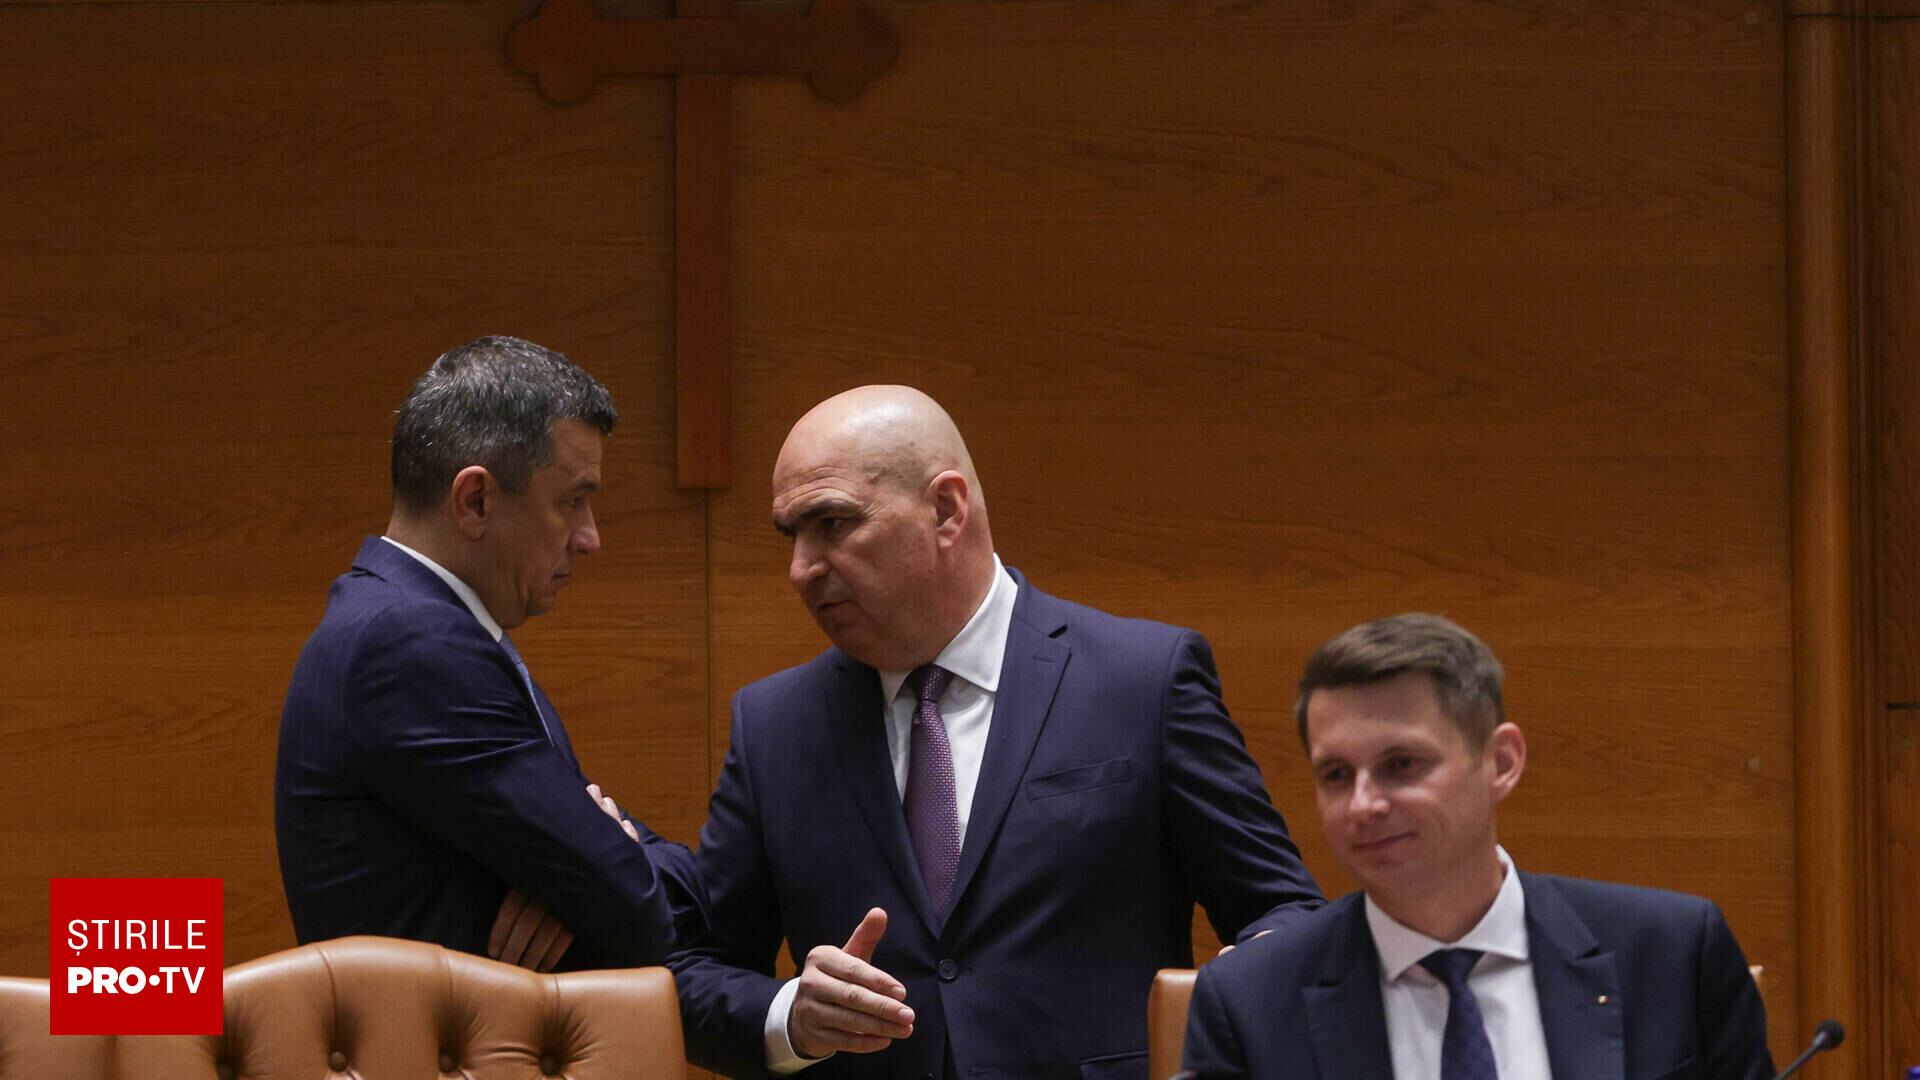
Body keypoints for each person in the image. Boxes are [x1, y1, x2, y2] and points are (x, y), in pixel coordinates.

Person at [670, 385, 1323, 1080]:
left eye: (832, 523)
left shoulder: (1142, 681)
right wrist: (789, 1016)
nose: (801, 569)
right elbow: (696, 971)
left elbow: (1280, 907)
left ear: (946, 510)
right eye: (792, 535)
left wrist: (1249, 984)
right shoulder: (775, 723)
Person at [1183, 613, 1773, 1080]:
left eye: (1400, 764)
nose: (1363, 805)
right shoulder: (1251, 1001)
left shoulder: (1671, 955)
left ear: (1501, 762)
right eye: (1337, 774)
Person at [276, 335, 701, 972]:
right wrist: (606, 871)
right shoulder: (412, 645)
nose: (590, 538)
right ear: (475, 501)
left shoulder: (413, 627)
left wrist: (605, 869)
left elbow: (644, 887)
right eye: (572, 501)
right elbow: (639, 912)